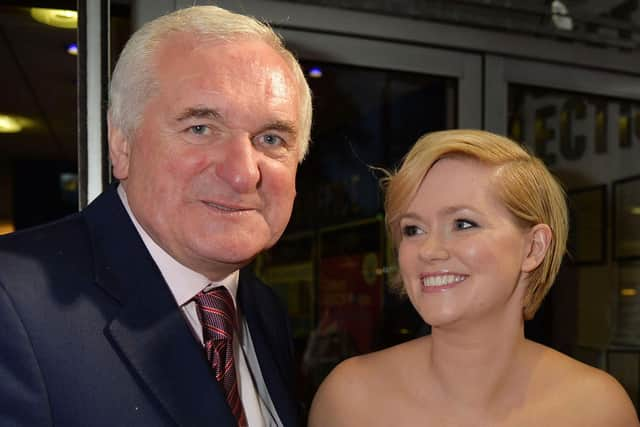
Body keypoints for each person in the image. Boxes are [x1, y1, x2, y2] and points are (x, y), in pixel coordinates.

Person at [0, 5, 312, 427]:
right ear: (122, 144)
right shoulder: (13, 303)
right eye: (201, 128)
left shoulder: (262, 311)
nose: (242, 173)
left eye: (271, 138)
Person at [309, 130, 639, 426]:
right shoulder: (351, 400)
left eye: (463, 224)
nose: (429, 250)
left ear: (533, 248)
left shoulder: (597, 410)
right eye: (413, 229)